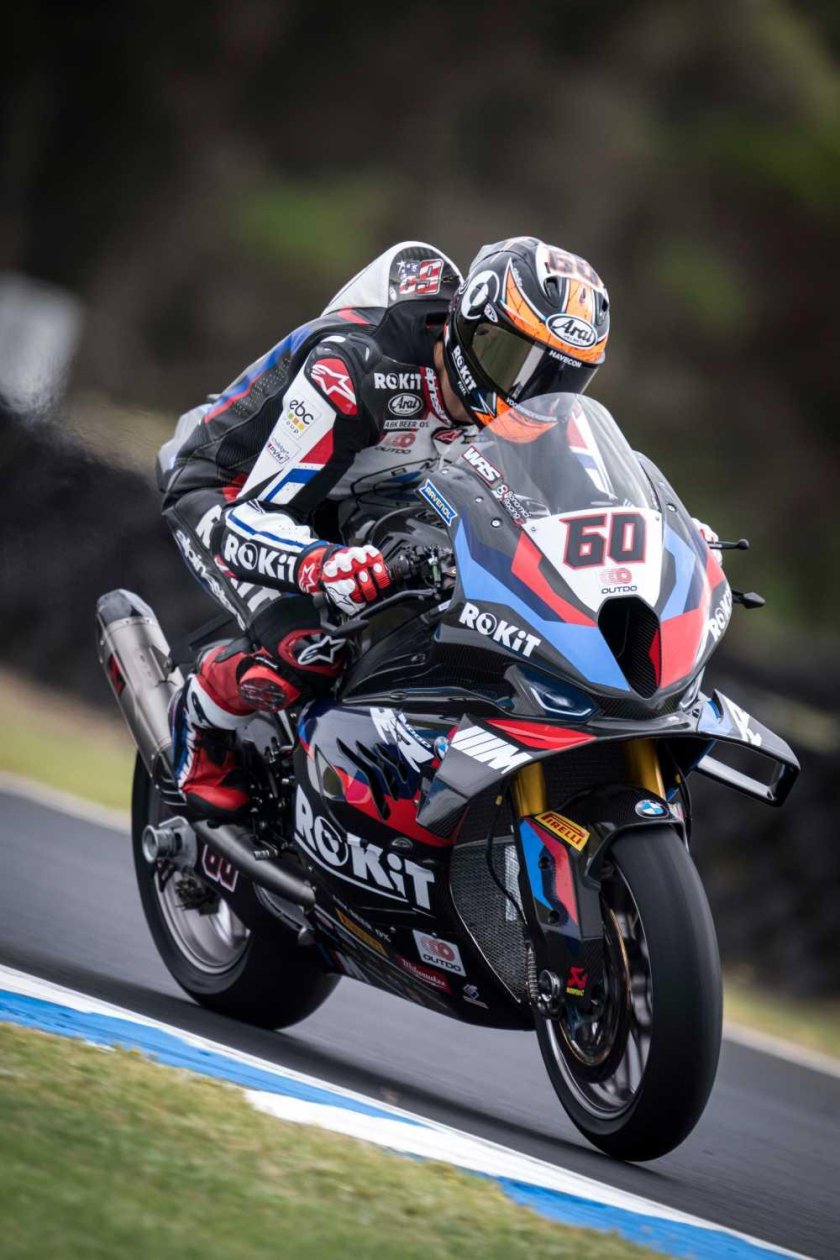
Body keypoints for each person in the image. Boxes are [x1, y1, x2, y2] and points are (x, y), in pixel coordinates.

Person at [158, 236, 695, 818]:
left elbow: (583, 499)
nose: (530, 393)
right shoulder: (355, 370)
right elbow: (260, 511)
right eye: (514, 359)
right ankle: (204, 713)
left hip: (369, 495)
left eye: (560, 377)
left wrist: (660, 541)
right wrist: (321, 564)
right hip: (233, 492)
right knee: (308, 648)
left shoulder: (536, 414)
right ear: (470, 328)